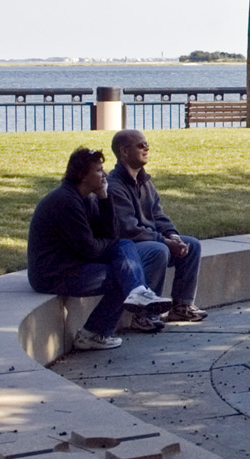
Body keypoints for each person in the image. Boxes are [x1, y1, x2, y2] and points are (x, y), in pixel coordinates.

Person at [27, 147, 175, 349]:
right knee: (122, 274)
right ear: (82, 176)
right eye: (98, 170)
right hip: (53, 274)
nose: (104, 174)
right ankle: (95, 332)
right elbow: (89, 248)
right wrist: (113, 243)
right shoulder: (65, 201)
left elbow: (110, 235)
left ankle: (136, 292)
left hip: (74, 265)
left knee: (124, 253)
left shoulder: (88, 198)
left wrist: (105, 198)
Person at [107, 129, 208, 322]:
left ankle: (182, 306)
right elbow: (129, 230)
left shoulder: (144, 181)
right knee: (158, 250)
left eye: (146, 144)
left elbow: (159, 216)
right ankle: (145, 315)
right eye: (140, 145)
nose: (147, 148)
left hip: (151, 238)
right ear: (124, 152)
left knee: (192, 245)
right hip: (128, 246)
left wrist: (174, 236)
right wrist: (165, 242)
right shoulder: (115, 186)